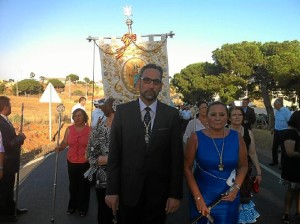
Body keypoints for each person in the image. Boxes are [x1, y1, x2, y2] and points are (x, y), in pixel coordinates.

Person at [105, 63, 183, 224]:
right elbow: (114, 154)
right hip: (128, 192)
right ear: (139, 82)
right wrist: (112, 190)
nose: (151, 85)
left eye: (156, 82)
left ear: (161, 86)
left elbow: (176, 158)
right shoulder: (122, 112)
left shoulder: (171, 115)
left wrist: (175, 194)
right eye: (147, 80)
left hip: (159, 195)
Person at [184, 101, 248, 223]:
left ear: (227, 117)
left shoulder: (237, 137)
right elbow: (187, 168)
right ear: (206, 116)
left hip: (229, 197)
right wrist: (198, 198)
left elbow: (244, 166)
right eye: (213, 114)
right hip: (202, 196)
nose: (217, 118)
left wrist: (236, 188)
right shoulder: (195, 137)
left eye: (222, 114)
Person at [86, 98, 122, 224]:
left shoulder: (128, 131)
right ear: (109, 112)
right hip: (103, 182)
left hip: (126, 181)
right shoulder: (98, 131)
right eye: (118, 113)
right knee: (105, 214)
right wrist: (109, 159)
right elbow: (90, 157)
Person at [228, 106, 262, 224]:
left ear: (243, 117)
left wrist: (258, 172)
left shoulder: (248, 132)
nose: (237, 117)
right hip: (228, 171)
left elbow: (252, 153)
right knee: (229, 197)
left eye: (240, 115)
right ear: (229, 118)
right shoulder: (224, 130)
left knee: (243, 199)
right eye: (234, 115)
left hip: (245, 170)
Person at [56, 108, 91, 216]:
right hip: (71, 161)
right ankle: (72, 206)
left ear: (84, 117)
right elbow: (65, 142)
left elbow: (93, 145)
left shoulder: (90, 130)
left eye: (80, 115)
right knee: (73, 185)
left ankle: (83, 208)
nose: (77, 117)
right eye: (75, 115)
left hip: (85, 162)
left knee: (84, 186)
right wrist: (60, 147)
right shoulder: (69, 129)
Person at [0, 96, 27, 222]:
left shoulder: (6, 120)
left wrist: (18, 138)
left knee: (9, 188)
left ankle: (12, 209)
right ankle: (6, 214)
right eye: (9, 106)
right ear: (5, 107)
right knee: (5, 189)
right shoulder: (1, 123)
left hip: (10, 161)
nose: (11, 108)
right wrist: (20, 138)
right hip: (6, 162)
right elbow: (7, 144)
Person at [280, 111, 300, 224]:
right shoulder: (290, 133)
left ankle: (298, 211)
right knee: (291, 191)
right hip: (292, 167)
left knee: (299, 191)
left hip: (298, 166)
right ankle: (286, 213)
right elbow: (290, 152)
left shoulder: (296, 132)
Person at [269, 98, 291, 166]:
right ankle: (275, 161)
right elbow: (277, 120)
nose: (274, 107)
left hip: (284, 131)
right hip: (277, 130)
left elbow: (289, 122)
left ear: (279, 104)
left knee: (283, 149)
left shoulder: (286, 111)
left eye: (275, 105)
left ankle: (283, 164)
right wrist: (273, 129)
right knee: (274, 147)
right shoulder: (277, 111)